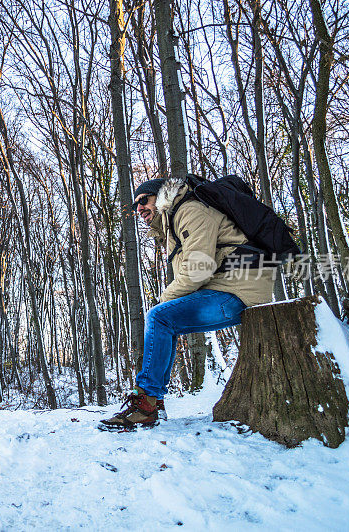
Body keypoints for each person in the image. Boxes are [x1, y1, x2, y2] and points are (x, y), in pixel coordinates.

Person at [101, 174, 277, 428]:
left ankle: (147, 404)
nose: (139, 208)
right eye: (135, 205)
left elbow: (199, 269)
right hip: (228, 288)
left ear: (161, 196)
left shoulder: (190, 211)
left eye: (144, 200)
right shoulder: (176, 221)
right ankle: (152, 403)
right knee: (164, 318)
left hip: (238, 292)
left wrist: (163, 300)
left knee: (160, 316)